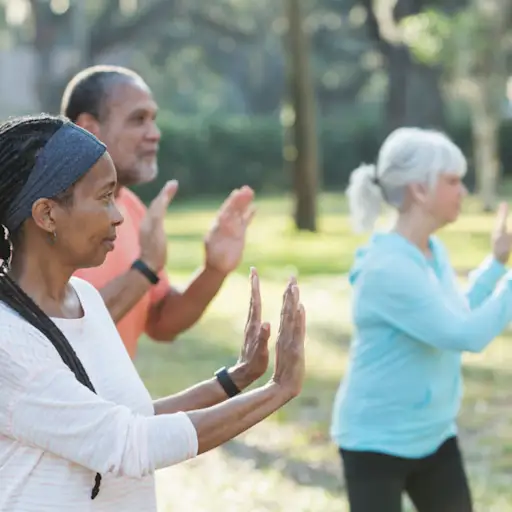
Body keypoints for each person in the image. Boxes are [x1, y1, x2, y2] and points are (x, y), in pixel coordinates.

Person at [0, 114, 306, 511]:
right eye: (104, 197)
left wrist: (235, 379)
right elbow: (128, 445)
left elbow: (134, 419)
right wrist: (278, 390)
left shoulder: (86, 299)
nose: (118, 215)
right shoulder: (10, 340)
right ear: (46, 214)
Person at [330, 127, 512, 512]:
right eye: (452, 181)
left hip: (433, 435)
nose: (463, 191)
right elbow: (466, 335)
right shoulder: (388, 268)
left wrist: (497, 264)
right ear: (419, 190)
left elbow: (455, 312)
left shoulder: (431, 250)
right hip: (374, 442)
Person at [60, 65, 255, 360]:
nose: (155, 134)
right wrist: (146, 267)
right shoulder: (48, 214)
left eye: (153, 120)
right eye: (138, 120)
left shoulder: (131, 208)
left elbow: (161, 322)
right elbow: (60, 332)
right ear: (89, 129)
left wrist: (213, 269)